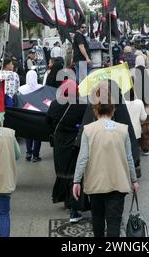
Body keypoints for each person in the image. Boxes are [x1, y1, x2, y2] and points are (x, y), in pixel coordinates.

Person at [72, 87, 139, 237]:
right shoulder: (123, 130)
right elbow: (129, 158)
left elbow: (83, 158)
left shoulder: (88, 130)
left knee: (97, 219)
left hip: (96, 184)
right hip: (118, 183)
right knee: (114, 222)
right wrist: (134, 180)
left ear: (95, 110)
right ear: (113, 110)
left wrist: (76, 181)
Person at [46, 79, 87, 223]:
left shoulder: (54, 104)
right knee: (74, 174)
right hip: (74, 142)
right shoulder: (81, 105)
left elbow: (48, 122)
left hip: (59, 142)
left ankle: (65, 200)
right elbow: (86, 123)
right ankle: (74, 209)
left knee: (62, 172)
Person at [133, 56, 149, 156]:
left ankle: (137, 144)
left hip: (136, 103)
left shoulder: (132, 73)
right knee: (148, 124)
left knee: (138, 124)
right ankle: (146, 147)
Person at [18, 70, 43, 162]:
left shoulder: (21, 89)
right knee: (38, 136)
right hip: (38, 114)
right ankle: (36, 155)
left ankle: (29, 153)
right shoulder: (41, 87)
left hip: (27, 114)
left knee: (28, 134)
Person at [125, 87, 147, 157]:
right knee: (135, 149)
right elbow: (143, 117)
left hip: (125, 130)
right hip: (137, 131)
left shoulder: (123, 104)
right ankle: (136, 163)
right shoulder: (139, 102)